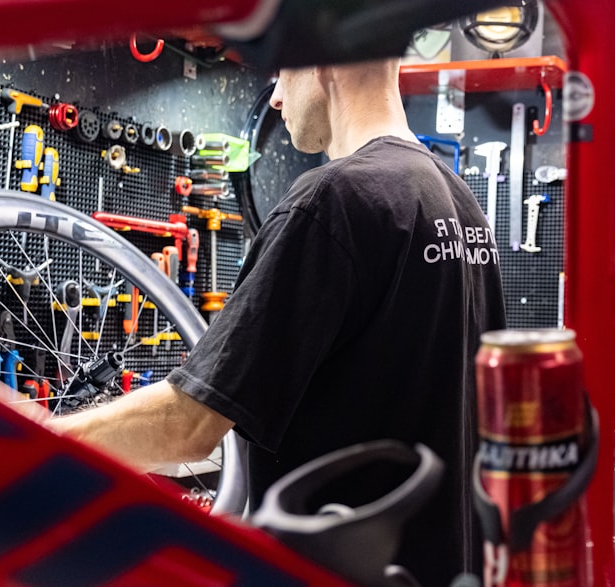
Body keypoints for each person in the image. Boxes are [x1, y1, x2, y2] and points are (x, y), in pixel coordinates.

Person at [52, 57, 507, 585]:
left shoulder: (334, 200)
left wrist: (31, 440)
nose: (273, 99)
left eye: (284, 73)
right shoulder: (462, 206)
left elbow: (191, 424)